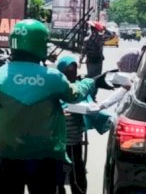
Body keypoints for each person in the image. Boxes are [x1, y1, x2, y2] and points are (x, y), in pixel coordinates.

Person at [0, 19, 95, 194]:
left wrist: (3, 130)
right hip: (45, 156)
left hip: (9, 154)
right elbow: (75, 94)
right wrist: (89, 82)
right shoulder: (53, 78)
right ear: (40, 44)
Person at [56, 56, 88, 194]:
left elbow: (89, 104)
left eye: (74, 70)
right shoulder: (55, 87)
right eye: (68, 70)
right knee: (57, 174)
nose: (72, 73)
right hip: (57, 141)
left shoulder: (79, 88)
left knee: (77, 173)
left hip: (74, 140)